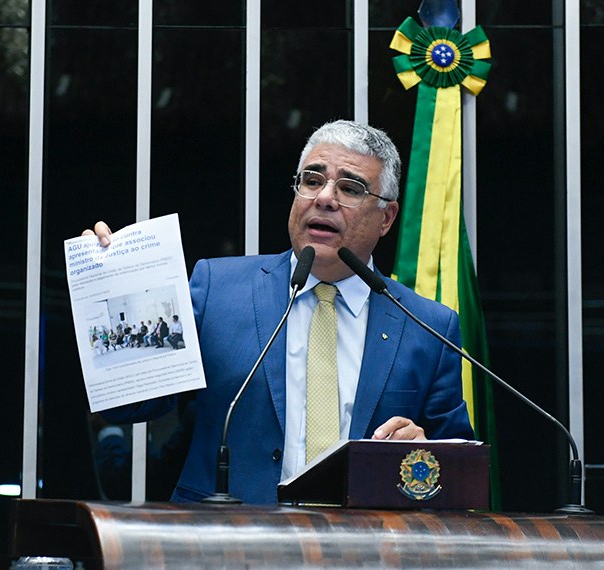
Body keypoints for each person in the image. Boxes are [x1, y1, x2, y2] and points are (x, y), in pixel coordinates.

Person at [86, 120, 474, 504]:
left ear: (386, 218)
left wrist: (427, 451)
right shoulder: (217, 290)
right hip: (227, 547)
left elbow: (459, 476)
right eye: (312, 180)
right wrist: (107, 290)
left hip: (365, 551)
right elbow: (128, 404)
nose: (324, 198)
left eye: (350, 188)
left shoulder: (428, 326)